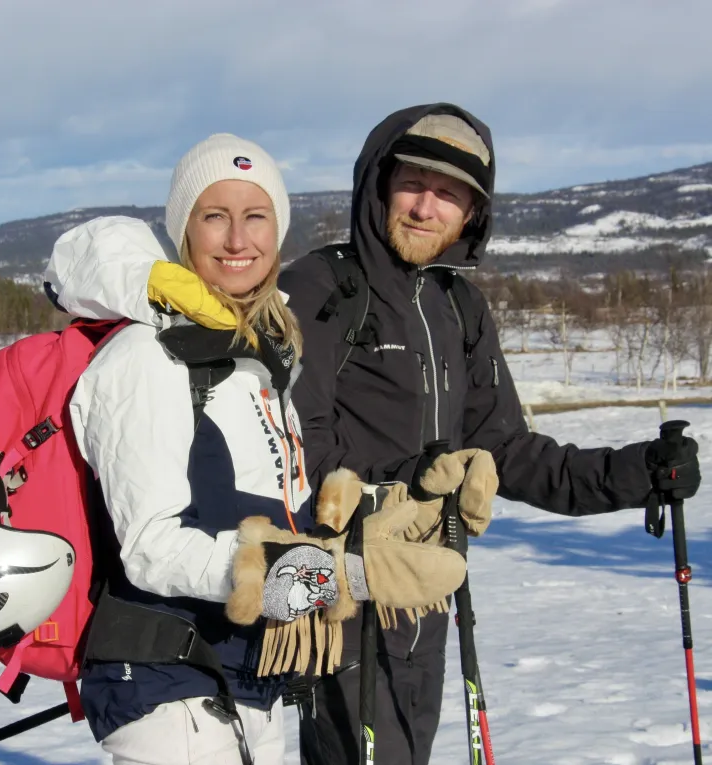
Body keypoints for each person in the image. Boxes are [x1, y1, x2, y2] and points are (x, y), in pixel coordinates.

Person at [277, 104, 702, 765]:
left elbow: (507, 449)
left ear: (472, 213)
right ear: (381, 183)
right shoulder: (322, 285)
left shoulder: (458, 307)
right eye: (414, 183)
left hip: (432, 594)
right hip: (348, 597)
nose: (425, 207)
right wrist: (403, 491)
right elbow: (296, 444)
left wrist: (638, 471)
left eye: (449, 194)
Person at [42, 133, 471, 765]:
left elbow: (280, 511)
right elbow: (153, 548)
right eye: (215, 216)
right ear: (184, 230)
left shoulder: (256, 362)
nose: (238, 241)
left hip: (248, 677)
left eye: (256, 216)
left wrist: (396, 510)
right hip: (169, 691)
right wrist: (332, 578)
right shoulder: (145, 357)